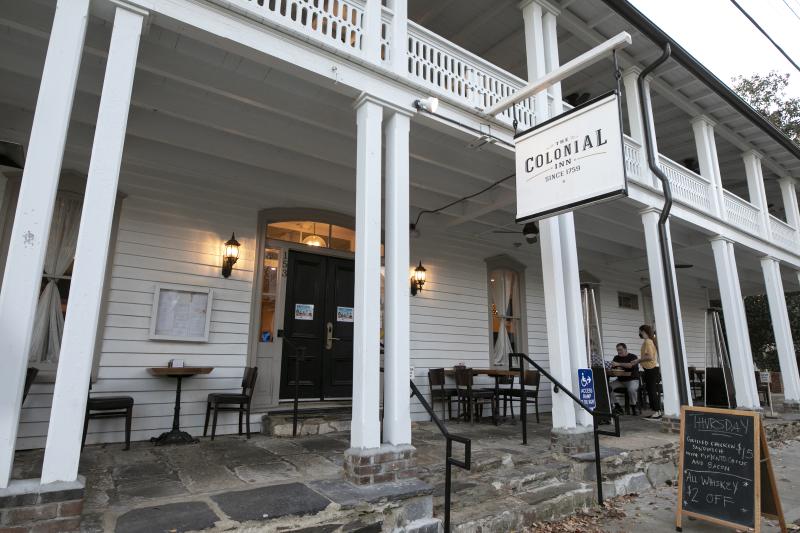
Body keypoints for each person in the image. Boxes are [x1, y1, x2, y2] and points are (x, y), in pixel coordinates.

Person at [638, 324, 662, 420]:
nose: (639, 333)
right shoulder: (650, 341)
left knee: (651, 391)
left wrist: (638, 360)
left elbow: (649, 357)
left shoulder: (648, 341)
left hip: (651, 369)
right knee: (651, 390)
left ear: (643, 331)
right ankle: (656, 411)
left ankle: (656, 412)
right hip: (651, 368)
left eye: (640, 331)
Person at [610, 343, 640, 415]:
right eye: (617, 350)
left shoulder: (633, 357)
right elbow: (613, 368)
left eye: (620, 350)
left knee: (631, 389)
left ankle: (634, 407)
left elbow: (630, 365)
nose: (619, 352)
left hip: (632, 380)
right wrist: (614, 367)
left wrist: (618, 364)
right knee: (607, 387)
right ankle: (617, 406)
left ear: (625, 349)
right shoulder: (616, 357)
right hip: (620, 381)